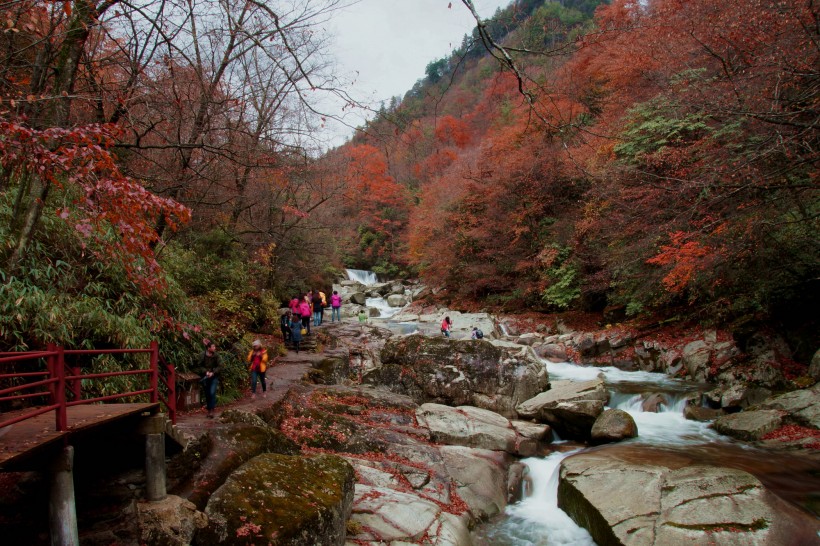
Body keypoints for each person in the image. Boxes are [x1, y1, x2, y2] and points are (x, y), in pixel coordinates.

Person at [197, 342, 221, 418]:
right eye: (213, 347)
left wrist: (213, 372)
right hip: (205, 377)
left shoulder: (216, 355)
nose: (214, 348)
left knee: (212, 392)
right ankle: (209, 409)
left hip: (214, 377)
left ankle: (212, 410)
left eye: (214, 346)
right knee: (207, 394)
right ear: (208, 348)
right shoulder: (202, 355)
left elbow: (220, 366)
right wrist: (206, 372)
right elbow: (199, 366)